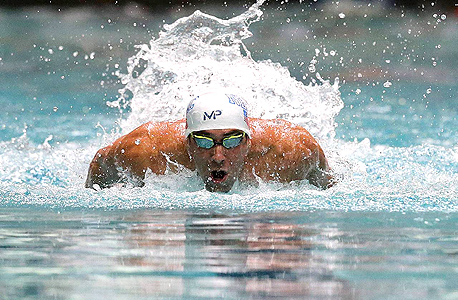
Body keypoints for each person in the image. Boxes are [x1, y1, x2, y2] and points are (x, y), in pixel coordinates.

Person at [85, 91, 335, 192]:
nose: (218, 156)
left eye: (232, 140)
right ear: (187, 143)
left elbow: (332, 187)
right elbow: (99, 164)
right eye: (205, 142)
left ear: (248, 141)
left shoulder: (290, 150)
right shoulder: (144, 151)